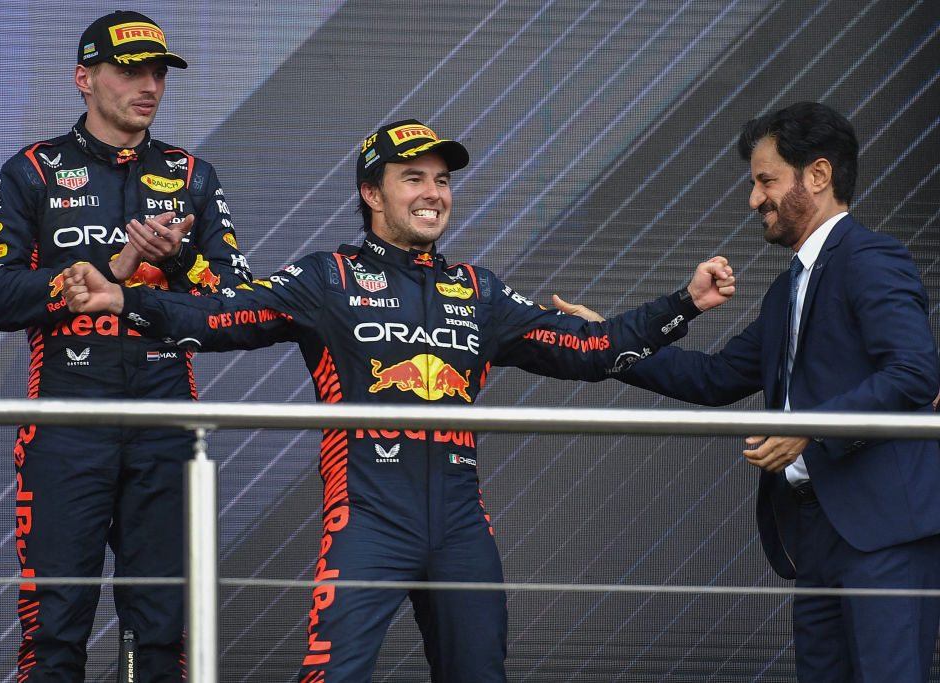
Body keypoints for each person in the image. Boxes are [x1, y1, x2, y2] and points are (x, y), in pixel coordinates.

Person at [61, 118, 735, 682]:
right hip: (368, 520)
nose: (434, 193)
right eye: (414, 177)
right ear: (371, 193)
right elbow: (220, 317)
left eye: (442, 180)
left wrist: (682, 305)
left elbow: (590, 350)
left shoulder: (481, 291)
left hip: (462, 527)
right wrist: (122, 297)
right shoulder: (327, 278)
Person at [557, 101, 940, 681]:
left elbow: (914, 374)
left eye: (766, 180)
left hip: (883, 535)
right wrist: (605, 339)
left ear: (817, 175)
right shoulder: (786, 291)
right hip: (814, 535)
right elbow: (712, 379)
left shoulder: (872, 257)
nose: (755, 198)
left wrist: (808, 427)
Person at [0, 10, 251, 681]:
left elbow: (239, 306)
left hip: (164, 423)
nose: (148, 84)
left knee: (161, 631)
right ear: (84, 79)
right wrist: (109, 268)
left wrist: (178, 262)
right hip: (67, 423)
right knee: (54, 628)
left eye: (157, 71)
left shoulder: (193, 176)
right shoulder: (33, 171)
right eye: (129, 70)